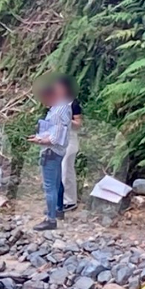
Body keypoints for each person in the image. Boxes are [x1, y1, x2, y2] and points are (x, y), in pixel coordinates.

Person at [27, 82, 72, 231]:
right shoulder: (63, 105)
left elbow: (55, 138)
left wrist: (39, 140)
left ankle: (50, 219)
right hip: (58, 151)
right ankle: (58, 209)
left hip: (51, 151)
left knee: (49, 187)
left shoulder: (58, 111)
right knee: (57, 182)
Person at [53, 76, 82, 211]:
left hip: (70, 139)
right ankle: (58, 200)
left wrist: (67, 121)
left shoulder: (73, 104)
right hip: (57, 139)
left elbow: (78, 125)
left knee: (66, 168)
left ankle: (70, 200)